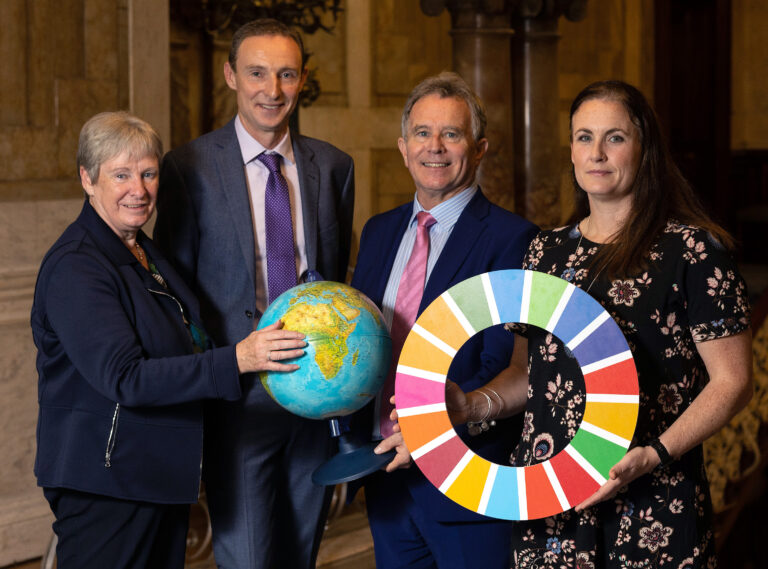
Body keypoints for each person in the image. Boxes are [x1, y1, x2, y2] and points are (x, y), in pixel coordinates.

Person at [447, 80, 753, 568]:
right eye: (584, 137)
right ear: (570, 150)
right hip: (551, 498)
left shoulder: (693, 251)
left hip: (652, 495)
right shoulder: (544, 253)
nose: (597, 152)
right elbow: (530, 377)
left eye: (615, 137)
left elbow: (734, 382)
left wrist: (654, 454)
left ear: (644, 148)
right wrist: (473, 404)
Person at [31, 111, 306, 569]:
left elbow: (186, 340)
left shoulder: (143, 250)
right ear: (87, 178)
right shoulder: (77, 266)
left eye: (148, 173)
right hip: (107, 483)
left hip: (154, 473)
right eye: (121, 175)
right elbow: (126, 377)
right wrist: (237, 359)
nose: (138, 190)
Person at [153, 18, 354, 569]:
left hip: (318, 387)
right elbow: (177, 295)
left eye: (286, 74)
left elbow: (335, 278)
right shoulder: (188, 168)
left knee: (302, 551)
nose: (272, 90)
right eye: (258, 73)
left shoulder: (334, 167)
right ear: (230, 76)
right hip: (239, 398)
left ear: (303, 79)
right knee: (248, 558)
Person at [348, 72, 538, 569]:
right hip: (385, 473)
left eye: (452, 134)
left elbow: (500, 362)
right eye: (422, 133)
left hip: (466, 481)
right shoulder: (378, 232)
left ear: (479, 149)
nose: (435, 147)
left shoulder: (513, 239)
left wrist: (429, 429)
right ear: (403, 147)